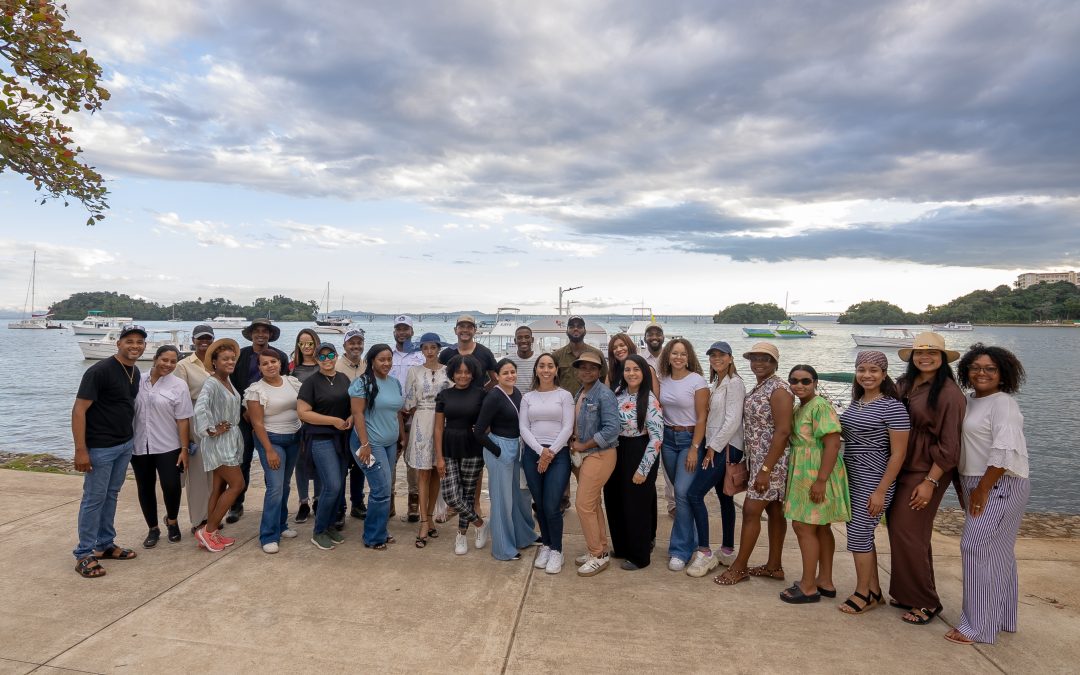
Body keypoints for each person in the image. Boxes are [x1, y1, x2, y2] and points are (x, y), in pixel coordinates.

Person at [946, 344, 1030, 645]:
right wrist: (965, 486)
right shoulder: (969, 400)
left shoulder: (1003, 403)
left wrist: (982, 488)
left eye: (990, 369)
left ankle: (978, 628)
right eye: (976, 367)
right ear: (966, 371)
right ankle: (1001, 618)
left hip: (999, 482)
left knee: (976, 547)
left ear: (1002, 374)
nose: (982, 373)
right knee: (998, 551)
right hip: (976, 482)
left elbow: (1004, 450)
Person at [887, 332, 966, 625]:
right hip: (903, 464)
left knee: (908, 530)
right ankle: (907, 592)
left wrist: (930, 482)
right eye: (920, 353)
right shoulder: (905, 384)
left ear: (942, 358)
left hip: (927, 469)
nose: (925, 357)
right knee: (904, 531)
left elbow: (950, 446)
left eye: (932, 353)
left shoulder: (948, 393)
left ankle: (926, 601)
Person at [715, 342, 794, 586]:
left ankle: (740, 567)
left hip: (772, 462)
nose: (758, 363)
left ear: (775, 363)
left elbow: (783, 432)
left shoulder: (779, 389)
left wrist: (765, 470)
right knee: (774, 511)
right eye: (755, 358)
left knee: (751, 511)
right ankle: (774, 566)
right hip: (760, 459)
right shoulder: (762, 386)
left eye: (765, 359)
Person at [71, 324, 147, 578]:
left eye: (139, 342)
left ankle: (104, 544)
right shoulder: (99, 371)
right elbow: (79, 410)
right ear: (118, 343)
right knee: (94, 499)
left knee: (111, 495)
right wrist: (81, 450)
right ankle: (84, 554)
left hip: (124, 444)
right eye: (129, 341)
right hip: (100, 447)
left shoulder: (134, 370)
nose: (135, 346)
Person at [837, 350, 909, 615]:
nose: (867, 375)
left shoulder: (893, 407)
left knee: (858, 535)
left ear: (884, 374)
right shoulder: (857, 402)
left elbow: (899, 454)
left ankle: (862, 593)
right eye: (862, 370)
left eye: (873, 370)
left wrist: (881, 491)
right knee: (862, 535)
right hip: (852, 476)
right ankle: (874, 592)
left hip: (875, 479)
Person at [779, 365, 850, 604]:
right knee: (821, 527)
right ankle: (825, 581)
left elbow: (833, 444)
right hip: (806, 469)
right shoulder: (801, 407)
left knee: (803, 526)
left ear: (815, 382)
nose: (799, 385)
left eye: (805, 381)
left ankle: (808, 586)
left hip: (816, 471)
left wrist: (821, 480)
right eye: (794, 381)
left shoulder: (820, 406)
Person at [684, 341, 744, 576]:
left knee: (694, 494)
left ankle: (705, 552)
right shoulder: (717, 383)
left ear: (730, 358)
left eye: (721, 355)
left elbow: (733, 420)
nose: (716, 358)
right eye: (712, 355)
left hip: (725, 447)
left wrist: (712, 449)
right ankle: (727, 550)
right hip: (718, 446)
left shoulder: (734, 383)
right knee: (725, 497)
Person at [228, 318, 290, 524]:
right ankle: (237, 504)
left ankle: (272, 503)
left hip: (271, 416)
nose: (261, 334)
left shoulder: (279, 356)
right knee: (242, 459)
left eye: (265, 331)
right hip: (245, 416)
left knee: (272, 462)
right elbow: (233, 385)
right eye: (257, 331)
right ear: (251, 334)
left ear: (270, 335)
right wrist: (244, 409)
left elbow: (284, 384)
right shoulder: (241, 355)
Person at [476, 359, 537, 560]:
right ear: (496, 376)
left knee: (519, 496)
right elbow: (478, 432)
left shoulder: (517, 392)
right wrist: (498, 451)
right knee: (502, 500)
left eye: (512, 371)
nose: (510, 376)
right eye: (505, 373)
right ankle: (503, 548)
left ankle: (524, 536)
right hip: (500, 449)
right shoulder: (493, 397)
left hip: (516, 447)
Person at [132, 345, 192, 548]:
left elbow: (183, 419)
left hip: (168, 445)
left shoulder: (179, 385)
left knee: (171, 486)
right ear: (155, 358)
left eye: (173, 361)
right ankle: (153, 528)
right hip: (140, 445)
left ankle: (172, 521)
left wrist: (184, 449)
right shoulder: (137, 380)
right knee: (145, 487)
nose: (168, 364)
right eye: (164, 360)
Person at [606, 354, 663, 570]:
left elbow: (656, 439)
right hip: (616, 450)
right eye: (627, 369)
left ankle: (639, 556)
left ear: (644, 373)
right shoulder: (617, 394)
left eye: (636, 369)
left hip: (639, 450)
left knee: (636, 504)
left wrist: (643, 469)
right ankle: (622, 547)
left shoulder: (650, 400)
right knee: (615, 499)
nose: (631, 373)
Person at [658, 338, 709, 572]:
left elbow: (702, 417)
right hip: (668, 440)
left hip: (689, 440)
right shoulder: (663, 380)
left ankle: (679, 550)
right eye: (675, 353)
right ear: (668, 356)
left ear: (689, 358)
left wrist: (695, 448)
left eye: (683, 354)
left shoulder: (697, 381)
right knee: (682, 496)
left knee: (681, 492)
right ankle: (694, 541)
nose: (678, 357)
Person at [519, 353, 574, 574]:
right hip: (533, 454)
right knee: (540, 504)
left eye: (550, 366)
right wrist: (540, 451)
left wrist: (550, 452)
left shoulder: (564, 396)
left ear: (556, 370)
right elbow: (523, 428)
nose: (546, 370)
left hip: (558, 455)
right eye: (541, 366)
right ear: (536, 370)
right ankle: (547, 545)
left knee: (552, 505)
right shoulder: (527, 397)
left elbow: (568, 427)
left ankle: (557, 551)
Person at [244, 350, 303, 554]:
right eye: (265, 363)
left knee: (285, 485)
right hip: (271, 440)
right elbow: (257, 423)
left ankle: (281, 524)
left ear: (280, 363)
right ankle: (268, 535)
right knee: (275, 487)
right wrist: (269, 450)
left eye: (273, 361)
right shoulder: (256, 390)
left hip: (294, 438)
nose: (270, 365)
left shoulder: (292, 382)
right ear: (259, 368)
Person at [297, 341, 353, 551]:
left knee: (339, 486)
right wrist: (333, 421)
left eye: (330, 356)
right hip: (321, 439)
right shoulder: (311, 382)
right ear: (317, 359)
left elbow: (352, 405)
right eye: (322, 356)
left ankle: (329, 526)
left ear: (336, 356)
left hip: (342, 438)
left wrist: (350, 417)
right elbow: (303, 413)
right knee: (332, 486)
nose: (327, 360)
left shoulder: (343, 378)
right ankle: (318, 531)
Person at [349, 343, 406, 550]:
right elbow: (357, 415)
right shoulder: (361, 383)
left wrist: (402, 437)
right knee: (380, 489)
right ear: (372, 361)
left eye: (389, 359)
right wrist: (365, 444)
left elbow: (396, 411)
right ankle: (373, 536)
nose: (386, 363)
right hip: (369, 444)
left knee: (386, 488)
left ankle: (379, 529)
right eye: (382, 359)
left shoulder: (394, 383)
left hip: (390, 443)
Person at [192, 338, 245, 553]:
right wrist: (211, 429)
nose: (230, 362)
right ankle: (208, 530)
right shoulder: (212, 383)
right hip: (218, 442)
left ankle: (210, 532)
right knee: (237, 484)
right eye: (225, 359)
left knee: (219, 487)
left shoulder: (227, 381)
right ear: (214, 362)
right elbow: (200, 407)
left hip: (229, 440)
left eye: (232, 358)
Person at [570, 351, 620, 577]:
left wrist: (583, 445)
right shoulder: (581, 392)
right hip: (584, 455)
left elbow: (612, 429)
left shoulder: (604, 394)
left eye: (592, 367)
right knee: (593, 503)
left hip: (599, 454)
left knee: (583, 504)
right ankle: (600, 549)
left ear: (600, 371)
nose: (587, 371)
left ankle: (597, 555)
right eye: (583, 367)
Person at [434, 354, 489, 555]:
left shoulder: (481, 394)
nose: (463, 376)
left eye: (467, 372)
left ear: (473, 374)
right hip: (449, 447)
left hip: (473, 447)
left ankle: (461, 535)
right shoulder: (444, 395)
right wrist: (439, 457)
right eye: (459, 372)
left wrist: (483, 429)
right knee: (450, 495)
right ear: (452, 373)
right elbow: (438, 428)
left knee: (467, 494)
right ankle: (480, 524)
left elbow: (489, 421)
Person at [403, 333, 451, 547]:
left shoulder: (448, 371)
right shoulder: (414, 371)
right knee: (423, 472)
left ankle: (430, 517)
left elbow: (453, 396)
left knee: (437, 472)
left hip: (443, 422)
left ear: (439, 348)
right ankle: (423, 521)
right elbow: (409, 402)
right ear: (421, 350)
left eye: (433, 347)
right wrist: (423, 413)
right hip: (422, 420)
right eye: (425, 347)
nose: (429, 351)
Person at [173, 324, 215, 533]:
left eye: (208, 338)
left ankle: (212, 515)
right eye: (200, 338)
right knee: (197, 474)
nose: (204, 342)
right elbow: (180, 400)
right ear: (193, 340)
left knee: (214, 473)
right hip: (195, 420)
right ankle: (199, 519)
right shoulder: (183, 366)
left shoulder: (217, 362)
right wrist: (186, 434)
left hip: (217, 421)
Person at [390, 315, 425, 523]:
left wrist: (412, 407)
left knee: (413, 461)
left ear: (412, 331)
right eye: (399, 329)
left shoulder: (420, 356)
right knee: (390, 459)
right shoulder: (388, 354)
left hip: (414, 414)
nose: (402, 332)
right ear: (394, 331)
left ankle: (413, 502)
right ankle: (389, 500)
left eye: (406, 329)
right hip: (391, 416)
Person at [290, 327, 322, 525]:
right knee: (300, 462)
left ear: (316, 343)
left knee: (319, 461)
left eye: (310, 343)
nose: (306, 346)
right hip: (298, 422)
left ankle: (318, 499)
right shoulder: (293, 368)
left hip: (319, 420)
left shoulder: (323, 365)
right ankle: (303, 502)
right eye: (302, 343)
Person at [641, 322, 673, 516]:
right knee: (648, 463)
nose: (654, 337)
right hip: (647, 416)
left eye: (658, 333)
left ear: (663, 337)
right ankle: (645, 506)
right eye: (650, 334)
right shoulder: (640, 358)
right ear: (645, 338)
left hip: (669, 415)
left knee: (669, 466)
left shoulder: (670, 357)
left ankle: (673, 504)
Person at [337, 328, 368, 521]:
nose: (356, 346)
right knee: (341, 467)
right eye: (352, 343)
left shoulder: (367, 365)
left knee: (360, 466)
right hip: (341, 424)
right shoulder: (337, 366)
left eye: (359, 342)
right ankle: (339, 507)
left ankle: (357, 503)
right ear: (345, 345)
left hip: (362, 423)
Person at [551, 315, 607, 394]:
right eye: (571, 327)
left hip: (591, 400)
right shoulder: (557, 355)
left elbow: (604, 379)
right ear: (566, 331)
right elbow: (552, 381)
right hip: (564, 401)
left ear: (585, 331)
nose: (576, 329)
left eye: (579, 327)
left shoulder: (597, 354)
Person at [439, 314, 498, 386]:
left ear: (475, 330)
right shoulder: (445, 354)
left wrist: (483, 391)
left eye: (469, 327)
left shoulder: (485, 353)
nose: (465, 330)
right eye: (461, 326)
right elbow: (439, 379)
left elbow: (495, 380)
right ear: (455, 330)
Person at [507, 325, 539, 393]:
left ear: (532, 339)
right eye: (519, 338)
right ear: (515, 341)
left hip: (535, 399)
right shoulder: (507, 360)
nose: (523, 340)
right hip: (513, 399)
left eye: (527, 337)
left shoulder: (540, 360)